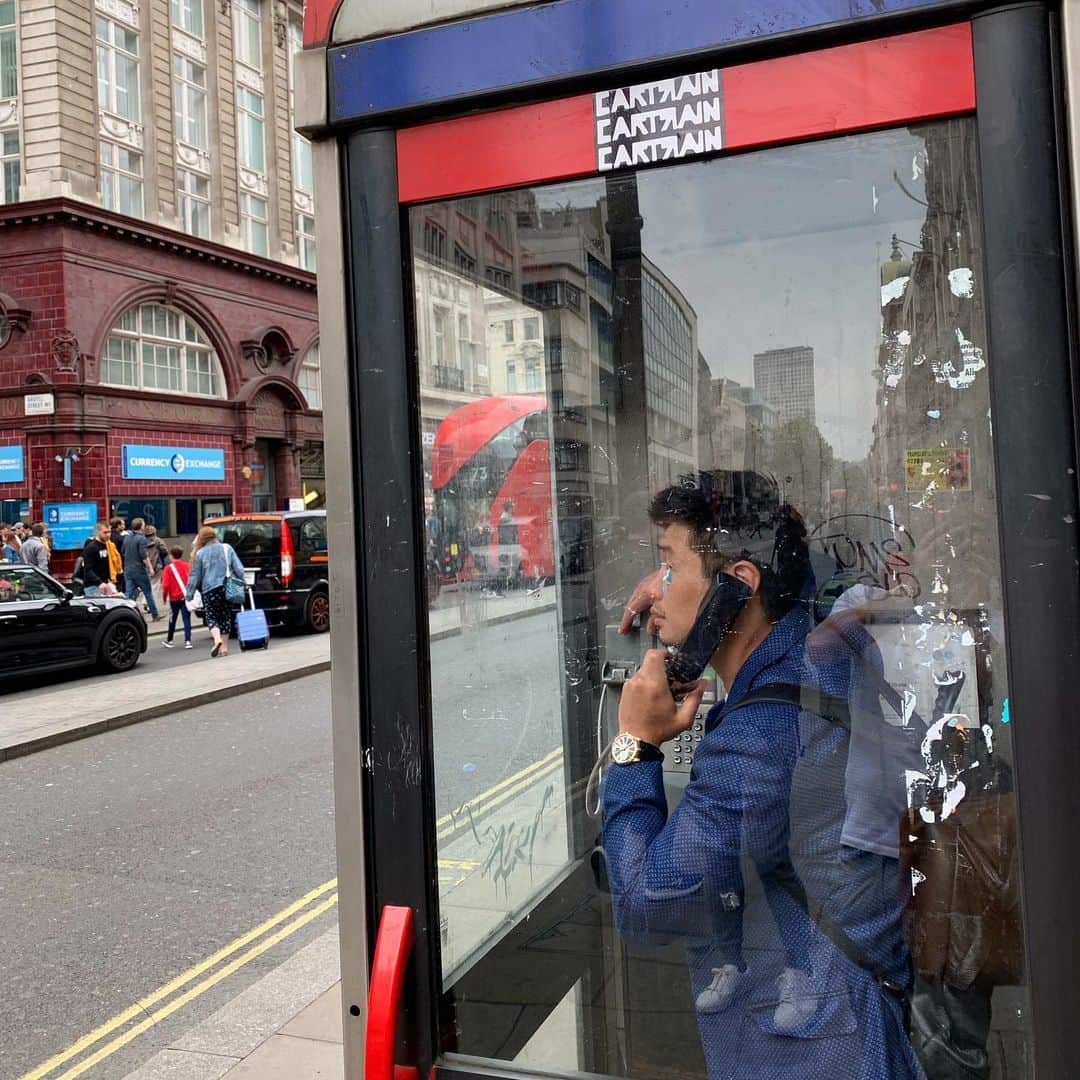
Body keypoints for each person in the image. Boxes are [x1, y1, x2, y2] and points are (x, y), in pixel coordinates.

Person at [602, 484, 921, 1080]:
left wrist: (635, 745)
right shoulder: (813, 646)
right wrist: (680, 584)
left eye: (669, 565)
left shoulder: (764, 734)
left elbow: (645, 906)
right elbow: (799, 564)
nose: (655, 589)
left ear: (739, 585)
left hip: (816, 1048)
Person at [185, 525, 244, 658]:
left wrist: (189, 595)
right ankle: (224, 648)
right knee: (225, 617)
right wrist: (242, 580)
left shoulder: (200, 553)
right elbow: (239, 569)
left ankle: (216, 639)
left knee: (211, 616)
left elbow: (195, 576)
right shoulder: (227, 548)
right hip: (227, 587)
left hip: (210, 589)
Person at [121, 518, 162, 620]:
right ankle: (155, 615)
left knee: (129, 594)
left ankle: (124, 614)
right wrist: (150, 568)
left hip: (128, 569)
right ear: (141, 526)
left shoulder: (127, 537)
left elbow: (123, 551)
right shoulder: (141, 539)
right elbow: (144, 556)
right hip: (139, 570)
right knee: (148, 592)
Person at [160, 545, 193, 649]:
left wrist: (164, 597)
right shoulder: (187, 565)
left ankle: (170, 640)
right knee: (186, 618)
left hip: (174, 598)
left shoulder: (168, 568)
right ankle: (188, 641)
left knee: (172, 619)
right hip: (185, 596)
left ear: (171, 556)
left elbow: (165, 585)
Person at [80, 522, 113, 596]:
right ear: (98, 532)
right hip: (93, 586)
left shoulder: (109, 546)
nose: (108, 535)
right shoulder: (91, 548)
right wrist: (99, 582)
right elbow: (87, 570)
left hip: (105, 583)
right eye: (105, 532)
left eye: (109, 532)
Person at [109, 517, 127, 595]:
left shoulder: (108, 536)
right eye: (123, 524)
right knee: (120, 587)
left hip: (109, 565)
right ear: (118, 525)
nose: (124, 526)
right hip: (119, 565)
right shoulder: (121, 538)